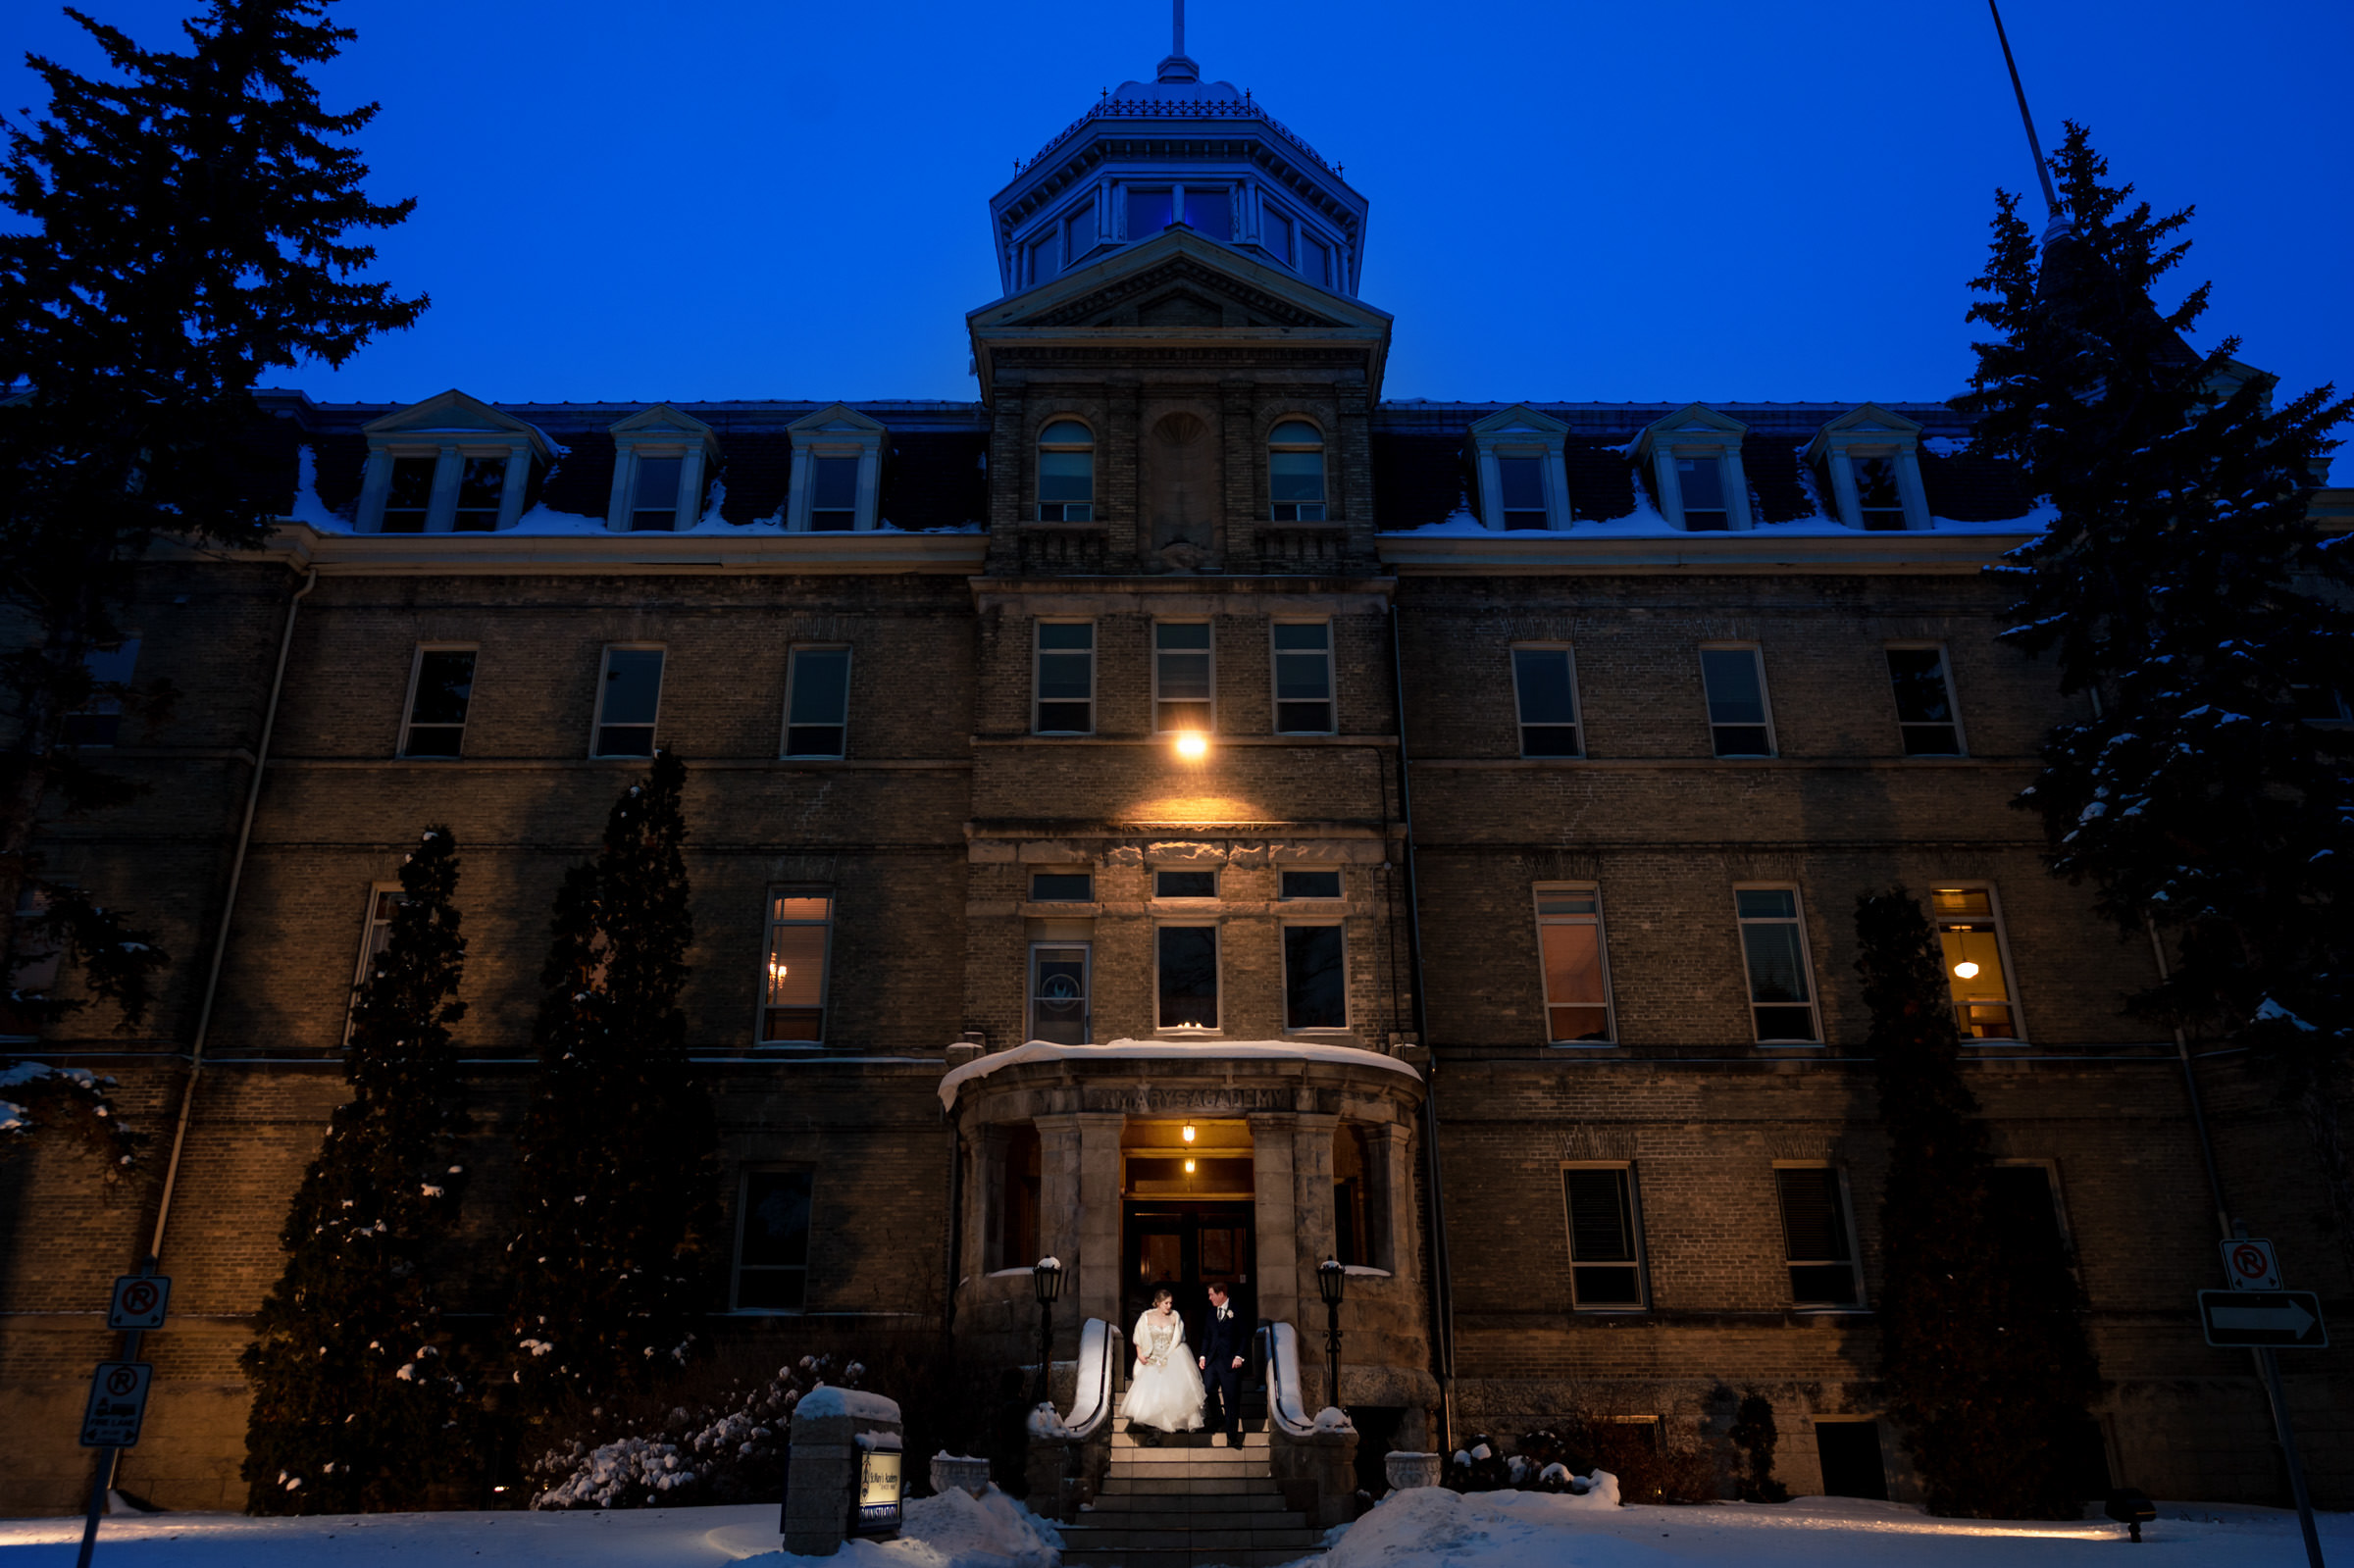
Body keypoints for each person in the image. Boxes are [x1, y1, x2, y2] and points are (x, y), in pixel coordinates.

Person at [1124, 1287, 1205, 1433]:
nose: (1169, 1306)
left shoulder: (1175, 1316)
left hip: (1171, 1355)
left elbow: (1179, 1338)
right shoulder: (1146, 1317)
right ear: (1158, 1303)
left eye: (1170, 1303)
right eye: (1166, 1303)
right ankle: (1153, 1429)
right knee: (1151, 1393)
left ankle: (1169, 1425)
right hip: (1152, 1356)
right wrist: (1140, 1354)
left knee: (1172, 1392)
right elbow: (1139, 1337)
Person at [1197, 1282, 1247, 1444]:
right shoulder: (1211, 1313)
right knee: (1208, 1389)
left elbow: (1244, 1336)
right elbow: (1206, 1336)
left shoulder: (1237, 1310)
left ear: (1221, 1294)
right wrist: (1203, 1356)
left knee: (1231, 1398)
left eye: (1212, 1294)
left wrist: (1239, 1356)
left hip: (1230, 1362)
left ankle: (1232, 1436)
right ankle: (1218, 1418)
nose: (1209, 1298)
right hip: (1212, 1360)